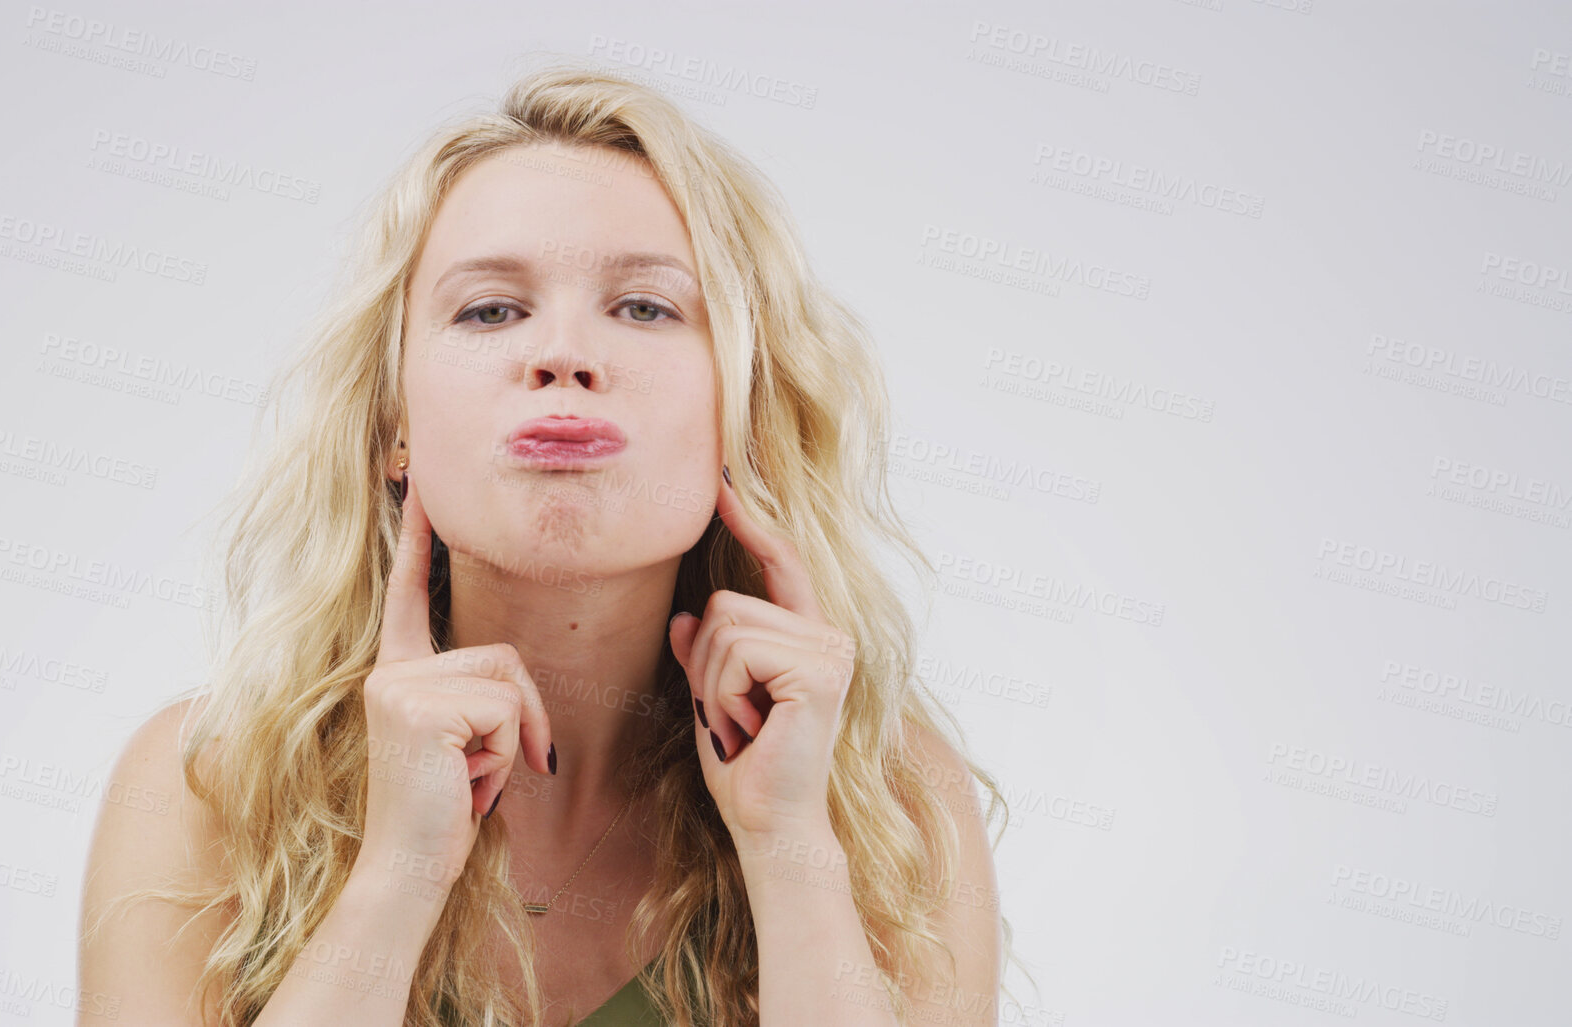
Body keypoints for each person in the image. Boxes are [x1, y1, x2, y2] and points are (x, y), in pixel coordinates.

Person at [77, 63, 1008, 1027]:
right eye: (490, 310)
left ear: (740, 410)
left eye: (644, 306)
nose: (562, 354)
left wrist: (788, 845)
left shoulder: (894, 804)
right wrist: (396, 873)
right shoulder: (206, 788)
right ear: (397, 422)